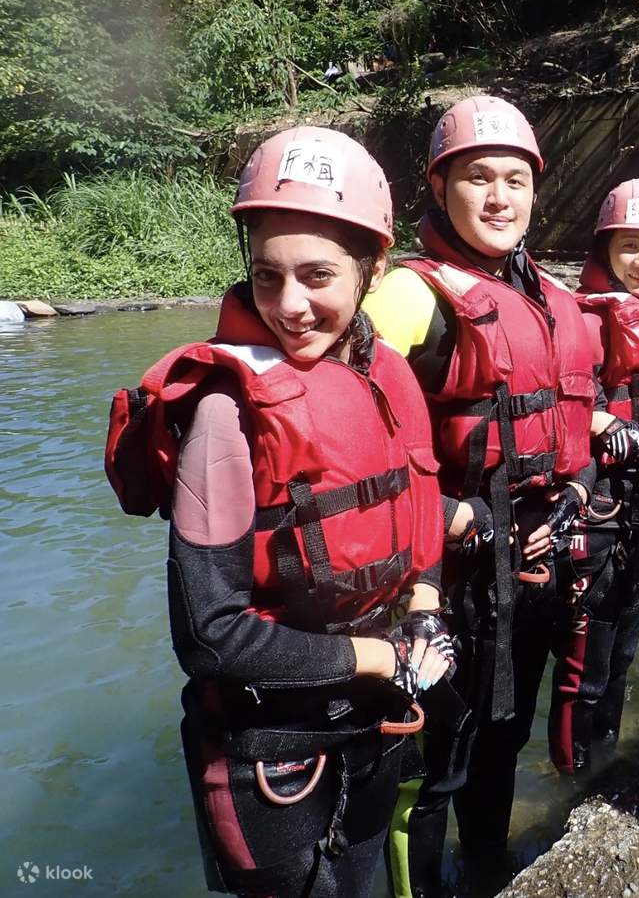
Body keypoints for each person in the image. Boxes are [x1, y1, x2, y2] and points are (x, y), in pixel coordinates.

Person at [104, 127, 450, 897]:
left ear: (373, 269)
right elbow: (210, 634)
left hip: (371, 718)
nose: (289, 306)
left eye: (318, 275)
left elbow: (420, 506)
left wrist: (423, 608)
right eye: (267, 276)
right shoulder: (227, 414)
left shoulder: (386, 375)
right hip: (273, 754)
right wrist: (381, 658)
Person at [362, 95, 596, 896]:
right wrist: (452, 515)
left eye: (515, 180)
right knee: (431, 774)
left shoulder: (547, 296)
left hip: (524, 577)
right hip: (442, 582)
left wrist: (570, 501)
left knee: (501, 743)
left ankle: (491, 874)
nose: (499, 198)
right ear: (439, 187)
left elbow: (571, 434)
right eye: (476, 179)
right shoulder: (406, 298)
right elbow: (347, 463)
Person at [549, 179, 639, 777]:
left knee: (626, 643)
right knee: (588, 655)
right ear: (605, 248)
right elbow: (560, 404)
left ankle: (606, 759)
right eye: (631, 246)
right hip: (597, 506)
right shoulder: (584, 320)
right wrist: (604, 417)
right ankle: (569, 776)